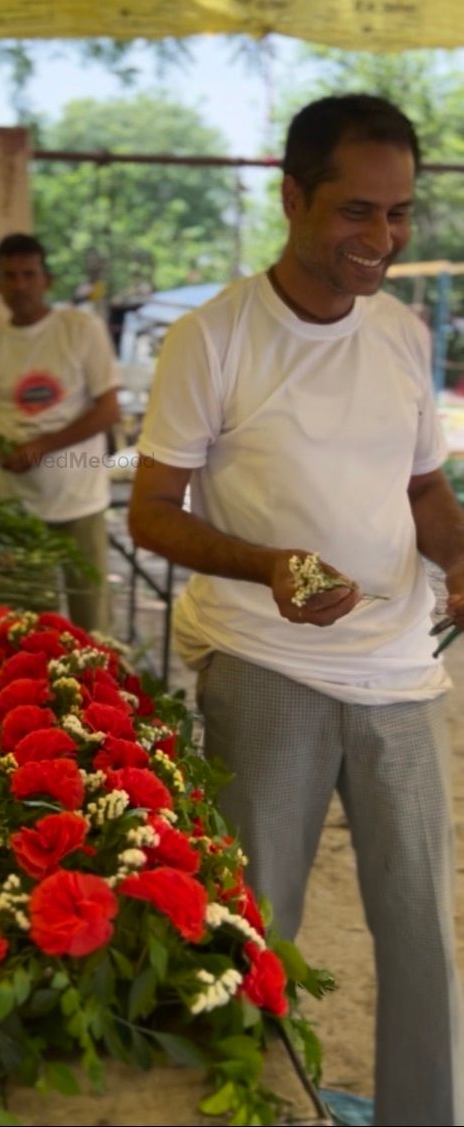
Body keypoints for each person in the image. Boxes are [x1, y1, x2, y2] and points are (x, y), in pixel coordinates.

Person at [128, 95, 464, 1127]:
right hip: (263, 659)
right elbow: (151, 510)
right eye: (357, 211)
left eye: (400, 212)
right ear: (292, 198)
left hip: (401, 669)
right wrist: (267, 563)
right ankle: (250, 1106)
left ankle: (425, 1112)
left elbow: (422, 492)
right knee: (252, 929)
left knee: (421, 931)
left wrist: (459, 551)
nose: (382, 237)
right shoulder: (214, 337)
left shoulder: (404, 332)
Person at [0, 232, 120, 633]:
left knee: (92, 623)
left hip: (80, 501)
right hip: (18, 509)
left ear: (47, 280)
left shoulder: (81, 329)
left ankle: (105, 694)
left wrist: (40, 448)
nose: (21, 285)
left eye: (29, 274)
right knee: (29, 626)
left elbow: (108, 410)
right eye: (10, 276)